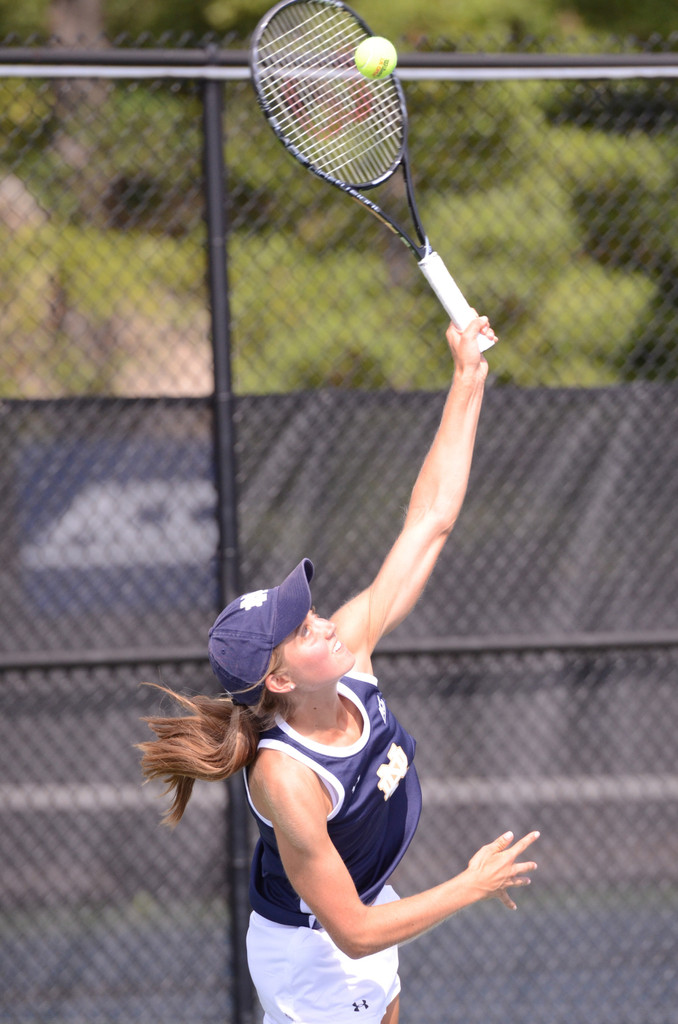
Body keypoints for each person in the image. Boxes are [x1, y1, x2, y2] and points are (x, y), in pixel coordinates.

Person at [138, 314, 539, 1024]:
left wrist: (465, 382)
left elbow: (429, 521)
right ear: (281, 680)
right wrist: (471, 885)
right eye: (301, 628)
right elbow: (351, 932)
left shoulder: (350, 655)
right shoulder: (287, 777)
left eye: (310, 609)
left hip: (362, 905)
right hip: (316, 949)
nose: (322, 620)